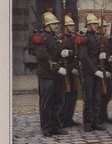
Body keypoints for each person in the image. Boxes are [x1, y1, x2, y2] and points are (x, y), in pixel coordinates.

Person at [31, 9, 68, 137]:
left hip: (56, 76)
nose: (56, 26)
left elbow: (55, 54)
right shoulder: (40, 38)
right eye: (53, 24)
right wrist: (58, 68)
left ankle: (56, 126)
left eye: (56, 24)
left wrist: (63, 54)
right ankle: (46, 128)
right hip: (47, 75)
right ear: (47, 26)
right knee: (46, 102)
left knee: (58, 101)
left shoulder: (55, 37)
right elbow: (44, 57)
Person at [77, 13, 107, 132]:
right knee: (89, 98)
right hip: (89, 73)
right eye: (94, 23)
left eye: (96, 23)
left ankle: (95, 121)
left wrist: (102, 56)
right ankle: (88, 123)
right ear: (88, 25)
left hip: (97, 72)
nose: (96, 25)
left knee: (97, 98)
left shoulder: (96, 37)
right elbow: (84, 57)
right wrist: (95, 71)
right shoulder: (84, 37)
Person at [59, 13, 80, 128]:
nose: (73, 27)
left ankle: (69, 118)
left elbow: (76, 53)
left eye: (73, 25)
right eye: (70, 25)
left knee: (73, 95)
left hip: (73, 70)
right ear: (65, 27)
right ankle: (62, 119)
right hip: (65, 71)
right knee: (65, 97)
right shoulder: (61, 38)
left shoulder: (73, 38)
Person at [98, 17, 112, 124]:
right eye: (103, 27)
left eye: (105, 27)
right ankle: (99, 117)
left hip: (108, 69)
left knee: (108, 93)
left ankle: (104, 115)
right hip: (101, 70)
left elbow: (110, 51)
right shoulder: (98, 39)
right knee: (101, 95)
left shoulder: (106, 40)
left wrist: (111, 56)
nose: (105, 28)